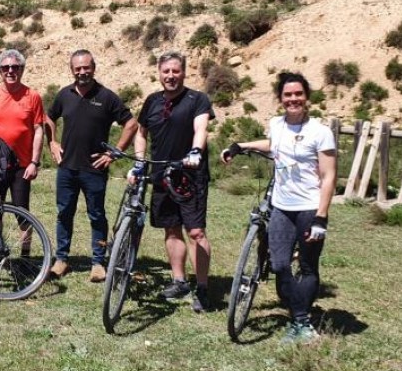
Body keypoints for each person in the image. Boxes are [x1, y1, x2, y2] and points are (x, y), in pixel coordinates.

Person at [221, 72, 337, 343]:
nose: (293, 99)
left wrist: (321, 217)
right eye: (288, 95)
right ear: (281, 98)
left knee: (307, 266)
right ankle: (299, 317)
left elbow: (329, 176)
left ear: (307, 97)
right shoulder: (277, 124)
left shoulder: (320, 132)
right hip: (282, 206)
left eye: (298, 94)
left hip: (310, 207)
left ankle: (301, 323)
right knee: (280, 263)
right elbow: (274, 147)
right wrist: (240, 145)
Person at [130, 52, 216, 313]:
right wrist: (139, 161)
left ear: (184, 73)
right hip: (160, 175)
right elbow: (141, 134)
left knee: (196, 232)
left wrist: (195, 152)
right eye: (166, 71)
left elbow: (201, 128)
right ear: (159, 73)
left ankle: (202, 286)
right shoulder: (152, 101)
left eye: (175, 71)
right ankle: (179, 281)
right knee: (171, 229)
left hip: (190, 176)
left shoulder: (197, 100)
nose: (170, 76)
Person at [44, 49, 138, 282]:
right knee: (64, 213)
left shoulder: (106, 97)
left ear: (93, 68)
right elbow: (48, 118)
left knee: (96, 215)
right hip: (67, 168)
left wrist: (113, 152)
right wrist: (53, 143)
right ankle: (61, 259)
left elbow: (131, 124)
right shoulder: (64, 94)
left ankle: (98, 262)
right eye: (78, 68)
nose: (82, 72)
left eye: (86, 67)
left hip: (94, 169)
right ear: (72, 70)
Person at [0, 49, 45, 217]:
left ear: (22, 69)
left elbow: (39, 130)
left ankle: (24, 245)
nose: (10, 71)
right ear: (0, 70)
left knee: (23, 215)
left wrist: (34, 162)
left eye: (15, 67)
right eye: (5, 67)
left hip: (21, 166)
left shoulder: (33, 96)